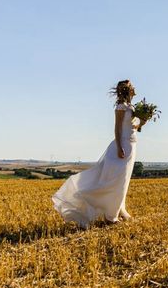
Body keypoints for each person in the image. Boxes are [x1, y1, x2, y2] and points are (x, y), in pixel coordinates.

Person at [52, 79, 144, 229]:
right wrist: (120, 147)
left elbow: (135, 127)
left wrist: (142, 121)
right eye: (132, 86)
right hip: (122, 146)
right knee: (115, 181)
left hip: (132, 145)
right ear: (129, 90)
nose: (135, 88)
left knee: (123, 181)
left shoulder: (131, 107)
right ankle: (110, 216)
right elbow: (117, 129)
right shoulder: (121, 107)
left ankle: (118, 210)